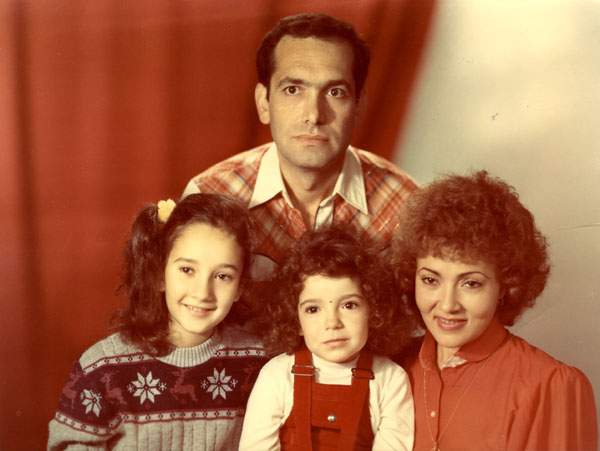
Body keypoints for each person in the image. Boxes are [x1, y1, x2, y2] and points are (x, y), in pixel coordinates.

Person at [182, 13, 418, 275]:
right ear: (263, 103)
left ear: (359, 107)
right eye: (293, 89)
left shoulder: (406, 207)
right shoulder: (209, 194)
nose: (313, 115)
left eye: (335, 92)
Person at [390, 170, 598, 450]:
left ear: (504, 286)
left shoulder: (550, 386)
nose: (448, 304)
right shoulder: (391, 366)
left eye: (471, 283)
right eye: (430, 280)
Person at [47, 194, 267, 450]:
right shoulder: (101, 369)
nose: (202, 292)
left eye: (222, 276)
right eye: (187, 270)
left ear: (240, 287)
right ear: (159, 274)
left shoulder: (259, 364)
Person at [239, 225, 415, 450]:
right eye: (313, 309)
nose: (332, 323)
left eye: (349, 305)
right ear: (296, 320)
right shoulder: (276, 374)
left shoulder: (390, 380)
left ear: (374, 311)